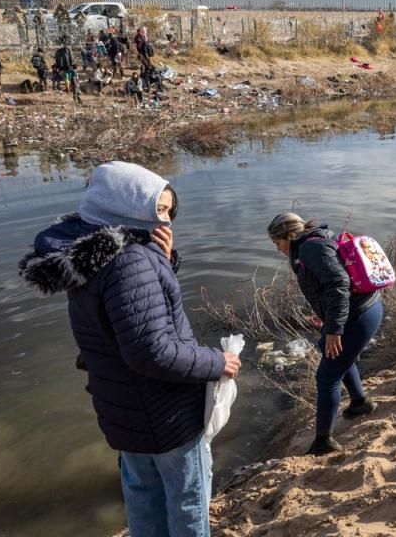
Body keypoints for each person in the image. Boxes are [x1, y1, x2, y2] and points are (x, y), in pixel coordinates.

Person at [19, 161, 240, 536]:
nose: (167, 223)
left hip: (124, 409)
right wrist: (217, 362)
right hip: (166, 413)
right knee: (187, 499)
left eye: (170, 212)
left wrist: (164, 262)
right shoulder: (130, 261)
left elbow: (126, 319)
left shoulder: (90, 254)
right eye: (160, 211)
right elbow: (152, 351)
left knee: (142, 494)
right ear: (126, 208)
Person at [267, 213, 383, 456]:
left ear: (289, 236)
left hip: (360, 314)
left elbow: (339, 284)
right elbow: (328, 285)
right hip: (366, 308)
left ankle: (323, 442)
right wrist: (325, 317)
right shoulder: (313, 241)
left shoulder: (310, 249)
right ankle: (360, 403)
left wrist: (334, 329)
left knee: (326, 377)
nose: (277, 249)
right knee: (330, 350)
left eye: (277, 243)